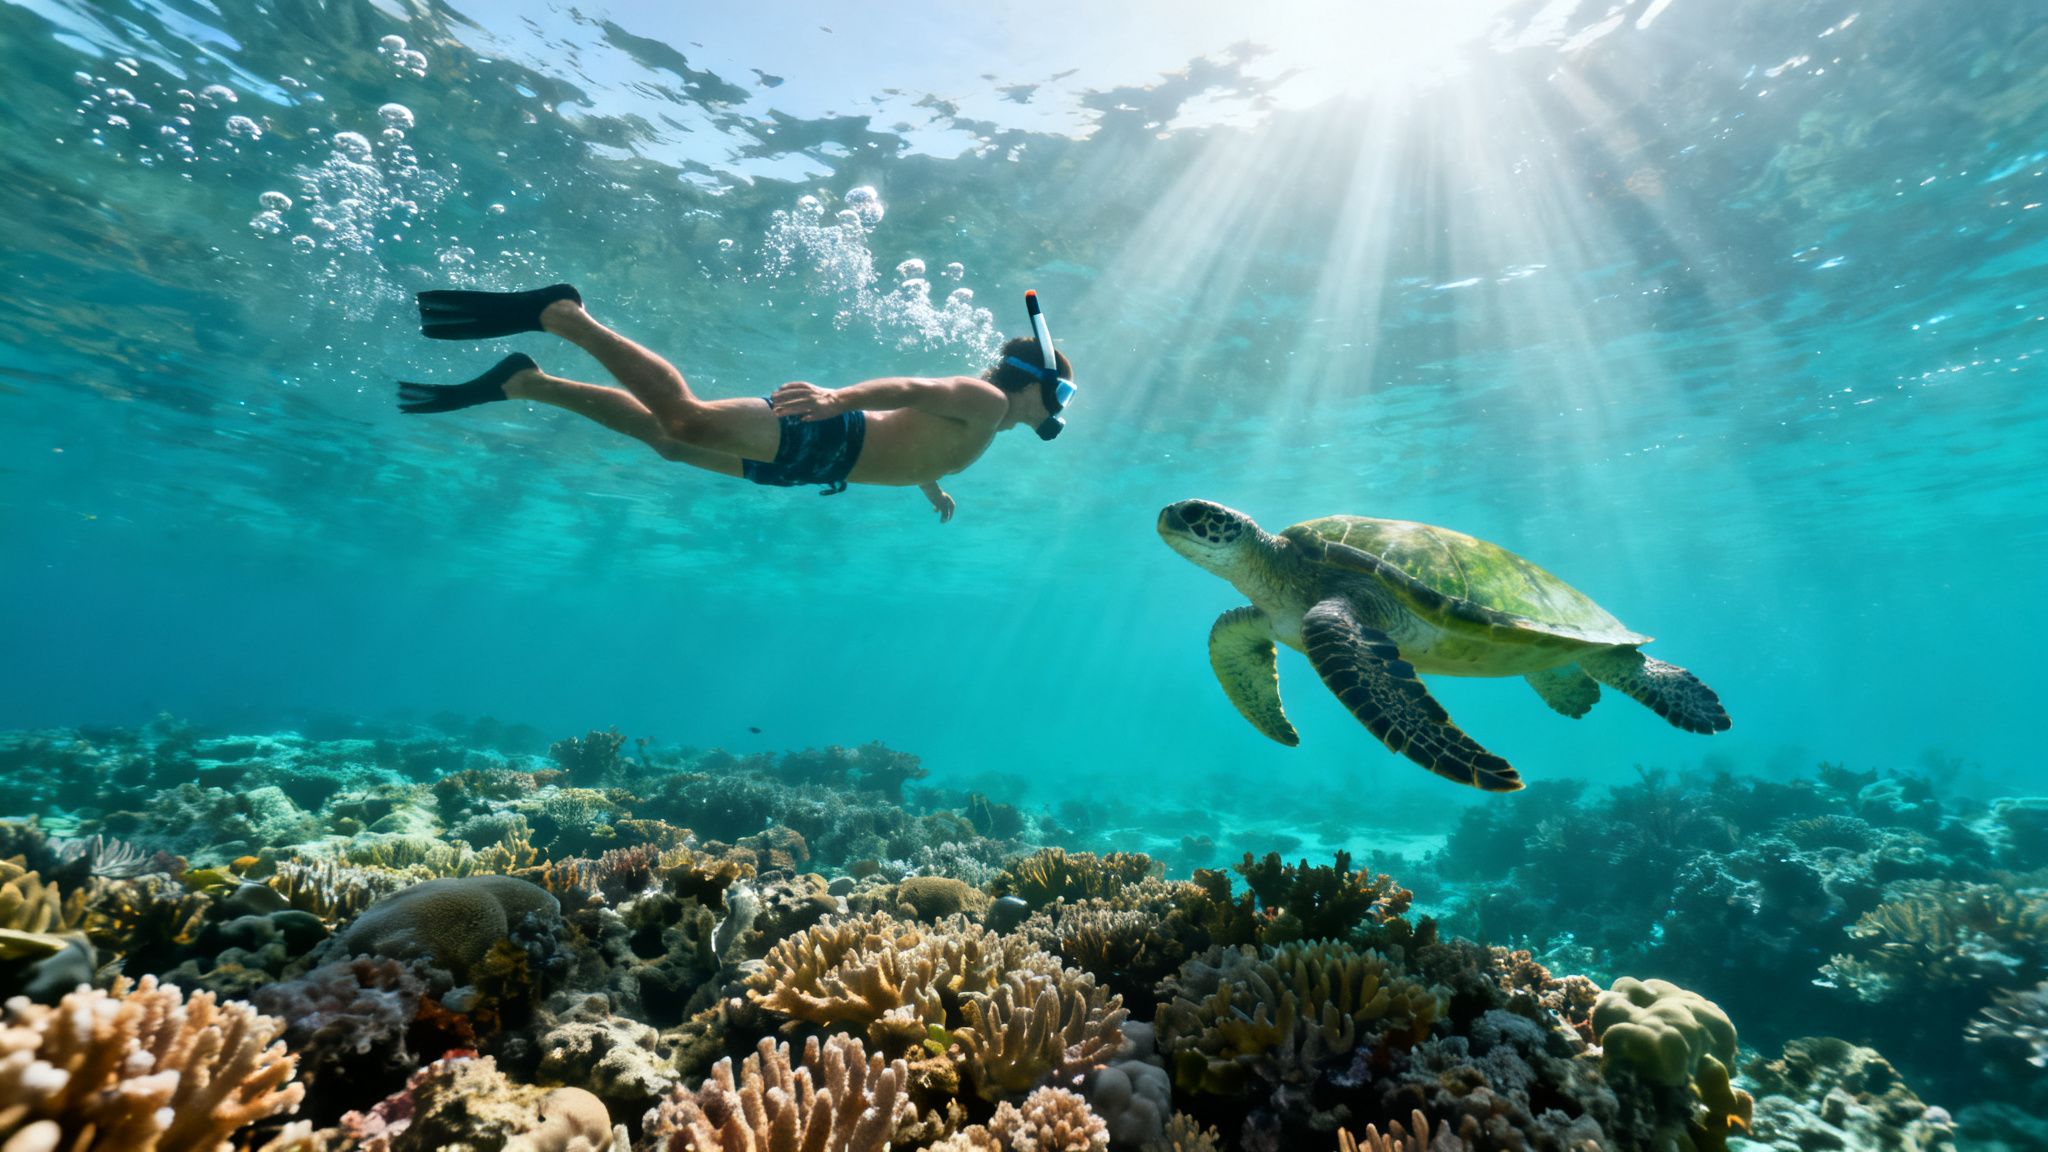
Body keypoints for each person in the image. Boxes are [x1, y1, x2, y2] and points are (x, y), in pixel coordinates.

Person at [396, 284, 1075, 521]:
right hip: (825, 436)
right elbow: (911, 391)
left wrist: (930, 489)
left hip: (818, 464)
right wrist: (836, 396)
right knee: (684, 417)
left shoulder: (981, 424)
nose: (1061, 410)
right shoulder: (987, 402)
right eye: (1063, 393)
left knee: (671, 442)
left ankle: (528, 383)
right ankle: (565, 316)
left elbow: (917, 431)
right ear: (1037, 383)